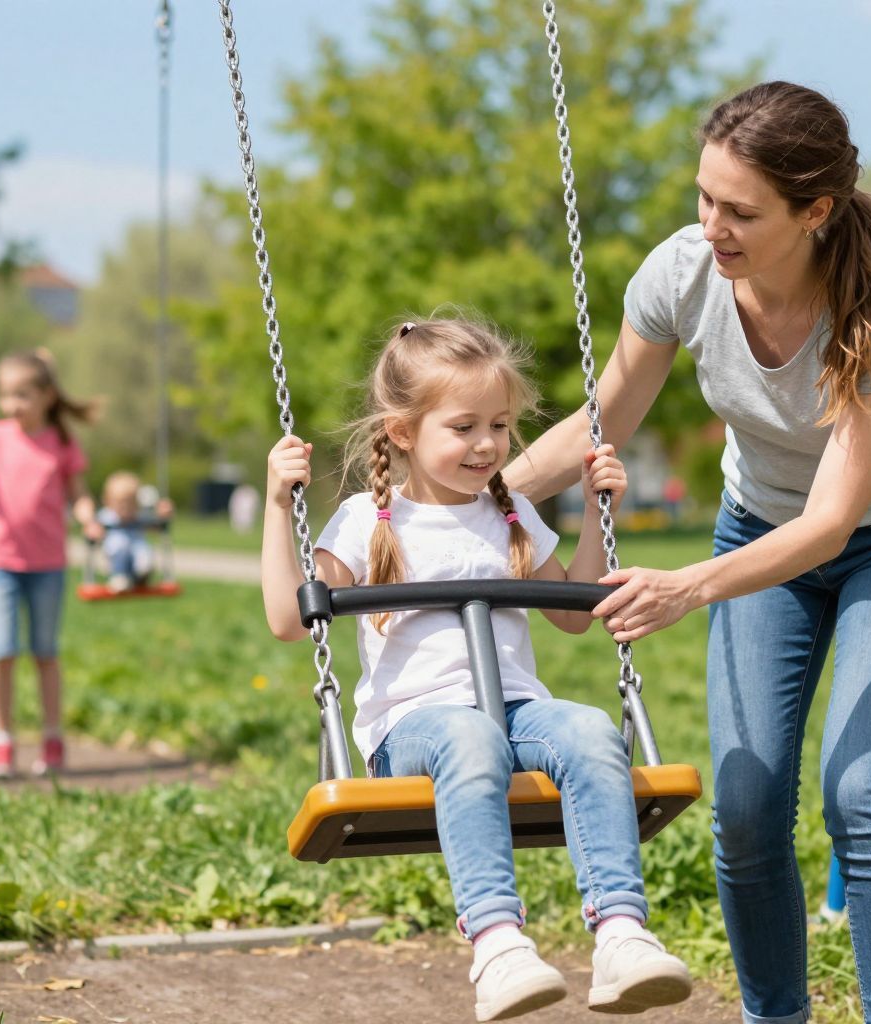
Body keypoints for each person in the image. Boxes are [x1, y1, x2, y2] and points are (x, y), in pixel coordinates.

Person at [505, 82, 871, 1024]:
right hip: (758, 528)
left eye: (741, 211)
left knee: (862, 789)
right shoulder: (683, 273)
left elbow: (835, 520)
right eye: (704, 198)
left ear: (816, 212)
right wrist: (468, 496)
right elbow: (606, 419)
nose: (712, 225)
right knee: (747, 809)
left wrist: (689, 587)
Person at [262, 317, 692, 1022]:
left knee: (587, 731)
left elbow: (576, 612)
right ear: (403, 431)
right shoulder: (367, 520)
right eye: (463, 427)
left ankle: (621, 932)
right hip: (416, 727)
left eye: (499, 424)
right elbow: (287, 619)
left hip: (518, 710)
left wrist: (594, 513)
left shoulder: (513, 514)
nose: (487, 443)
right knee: (470, 738)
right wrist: (280, 508)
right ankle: (496, 944)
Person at [0, 351, 101, 781]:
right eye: (6, 395)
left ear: (47, 396)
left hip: (47, 564)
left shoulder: (61, 442)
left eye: (22, 395)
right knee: (0, 653)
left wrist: (88, 517)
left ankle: (51, 737)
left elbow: (78, 492)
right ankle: (1, 740)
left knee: (45, 653)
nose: (12, 405)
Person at [96, 470, 173, 592]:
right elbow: (95, 531)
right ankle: (119, 578)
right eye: (121, 503)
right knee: (120, 546)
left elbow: (157, 527)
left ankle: (142, 575)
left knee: (144, 550)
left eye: (130, 503)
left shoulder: (139, 517)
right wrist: (95, 530)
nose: (125, 508)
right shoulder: (107, 516)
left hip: (136, 555)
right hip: (114, 558)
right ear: (108, 501)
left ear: (137, 503)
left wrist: (163, 516)